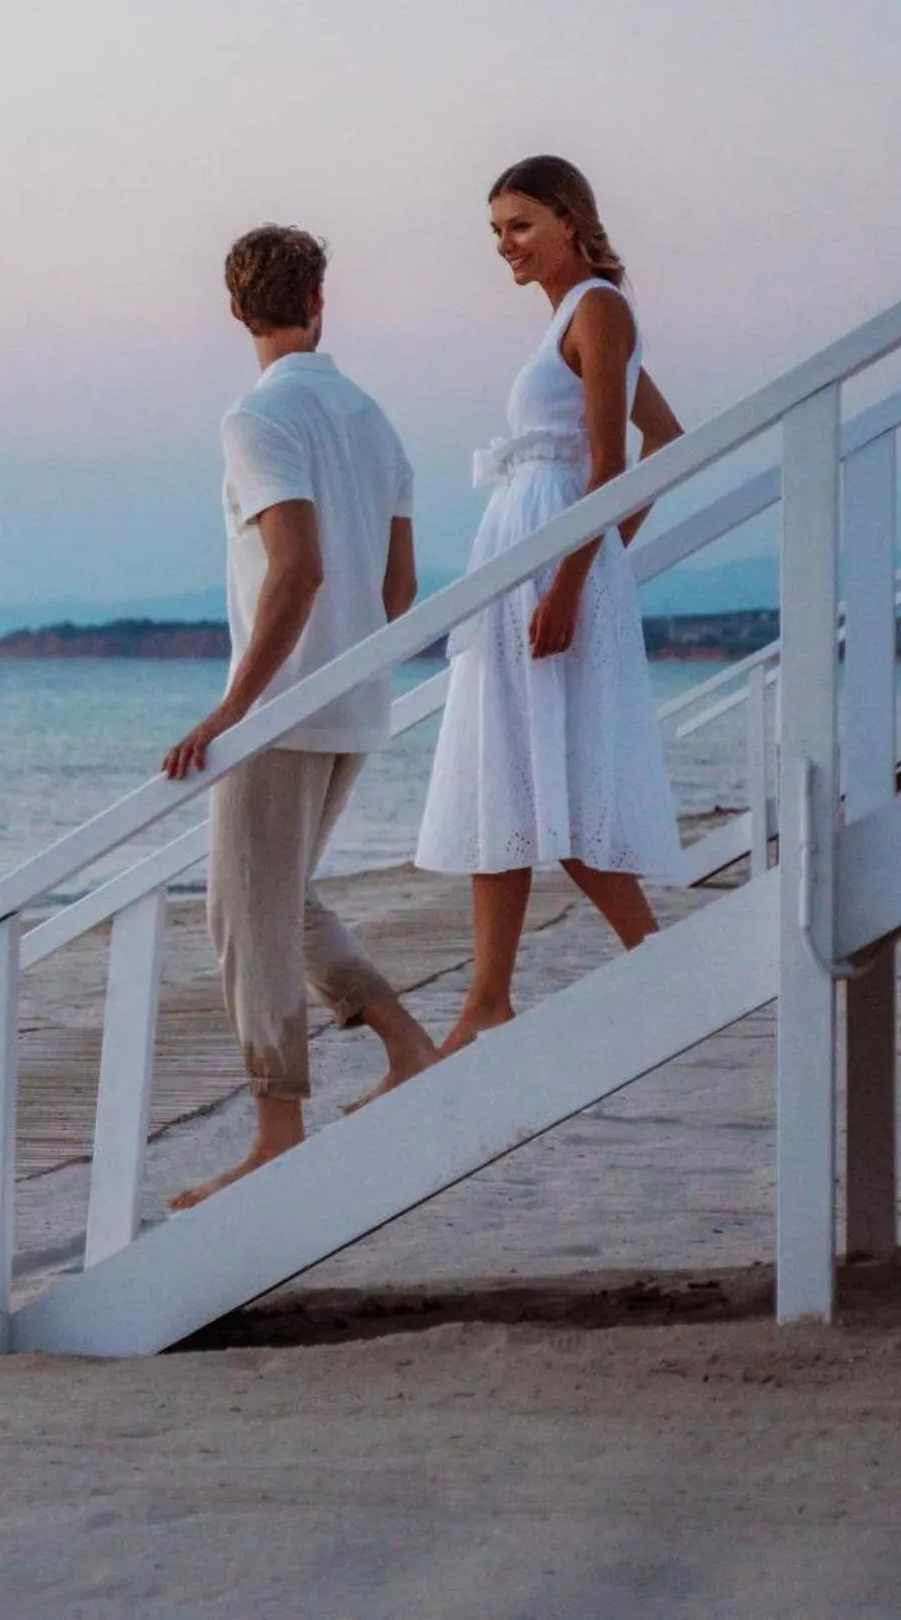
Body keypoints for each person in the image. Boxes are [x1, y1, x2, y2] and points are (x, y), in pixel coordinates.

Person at [162, 224, 438, 1210]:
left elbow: (299, 565)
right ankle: (407, 1047)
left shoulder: (256, 418)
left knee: (237, 912)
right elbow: (396, 586)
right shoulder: (372, 419)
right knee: (278, 898)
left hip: (281, 706)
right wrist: (342, 663)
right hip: (351, 695)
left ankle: (277, 1127)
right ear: (320, 301)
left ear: (236, 311)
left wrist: (234, 704)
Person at [415, 156, 686, 1051]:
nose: (505, 246)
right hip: (534, 556)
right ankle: (486, 999)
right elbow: (668, 438)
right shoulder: (574, 317)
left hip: (548, 566)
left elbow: (617, 461)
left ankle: (653, 956)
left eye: (521, 225)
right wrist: (598, 556)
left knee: (542, 769)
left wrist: (582, 574)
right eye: (495, 231)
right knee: (509, 769)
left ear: (570, 219)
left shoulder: (599, 308)